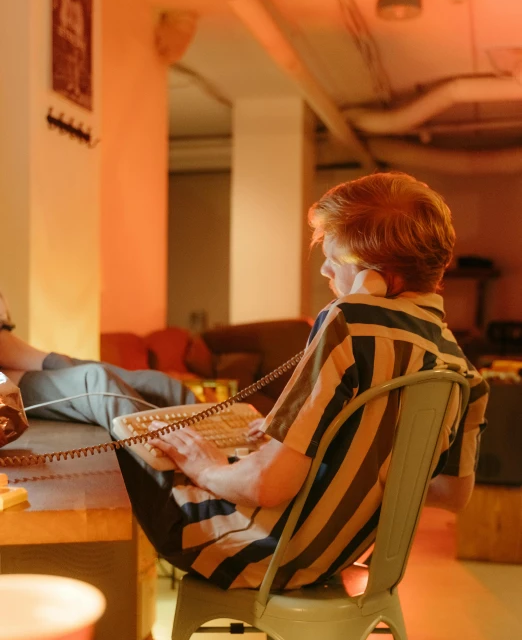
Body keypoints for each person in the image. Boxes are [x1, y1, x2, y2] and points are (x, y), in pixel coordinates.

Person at [145, 172, 489, 591]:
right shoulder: (461, 368)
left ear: (378, 277)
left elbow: (267, 486)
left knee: (127, 413)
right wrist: (344, 452)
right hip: (335, 557)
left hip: (260, 551)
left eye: (336, 258)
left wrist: (207, 467)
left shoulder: (350, 322)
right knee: (147, 397)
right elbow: (451, 494)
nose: (326, 268)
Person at [0, 297, 197, 537]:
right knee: (97, 381)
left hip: (10, 360)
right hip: (6, 380)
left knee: (162, 385)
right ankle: (176, 516)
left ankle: (220, 465)